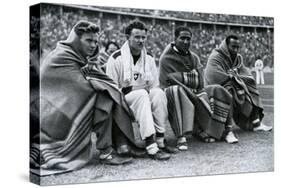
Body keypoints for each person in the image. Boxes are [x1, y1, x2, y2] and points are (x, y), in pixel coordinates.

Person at [30, 21, 145, 176]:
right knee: (104, 98)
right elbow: (83, 87)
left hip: (62, 109)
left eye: (96, 41)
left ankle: (118, 145)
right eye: (89, 40)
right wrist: (104, 85)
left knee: (106, 94)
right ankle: (106, 151)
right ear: (77, 40)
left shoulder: (79, 56)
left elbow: (93, 79)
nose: (93, 45)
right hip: (52, 116)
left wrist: (102, 82)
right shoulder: (62, 57)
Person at [159, 26, 239, 147]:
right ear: (175, 39)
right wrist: (190, 80)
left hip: (196, 90)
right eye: (182, 38)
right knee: (175, 90)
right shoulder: (166, 59)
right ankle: (182, 136)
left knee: (219, 89)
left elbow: (200, 81)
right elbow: (167, 82)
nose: (186, 42)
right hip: (178, 93)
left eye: (188, 39)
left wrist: (184, 78)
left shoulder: (194, 58)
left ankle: (226, 130)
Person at [106, 20, 174, 160]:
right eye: (137, 37)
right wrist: (126, 91)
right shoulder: (116, 58)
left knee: (158, 93)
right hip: (122, 103)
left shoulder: (148, 58)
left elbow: (154, 85)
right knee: (142, 94)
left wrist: (149, 91)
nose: (141, 40)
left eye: (143, 37)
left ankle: (160, 140)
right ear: (127, 37)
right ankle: (151, 146)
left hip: (143, 99)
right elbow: (110, 89)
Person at [205, 34, 272, 132]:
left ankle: (256, 123)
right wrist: (233, 77)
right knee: (232, 90)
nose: (236, 50)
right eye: (233, 47)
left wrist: (236, 77)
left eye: (237, 47)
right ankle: (227, 128)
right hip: (215, 87)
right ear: (226, 46)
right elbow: (213, 75)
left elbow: (246, 73)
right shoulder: (215, 56)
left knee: (250, 87)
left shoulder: (238, 58)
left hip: (233, 84)